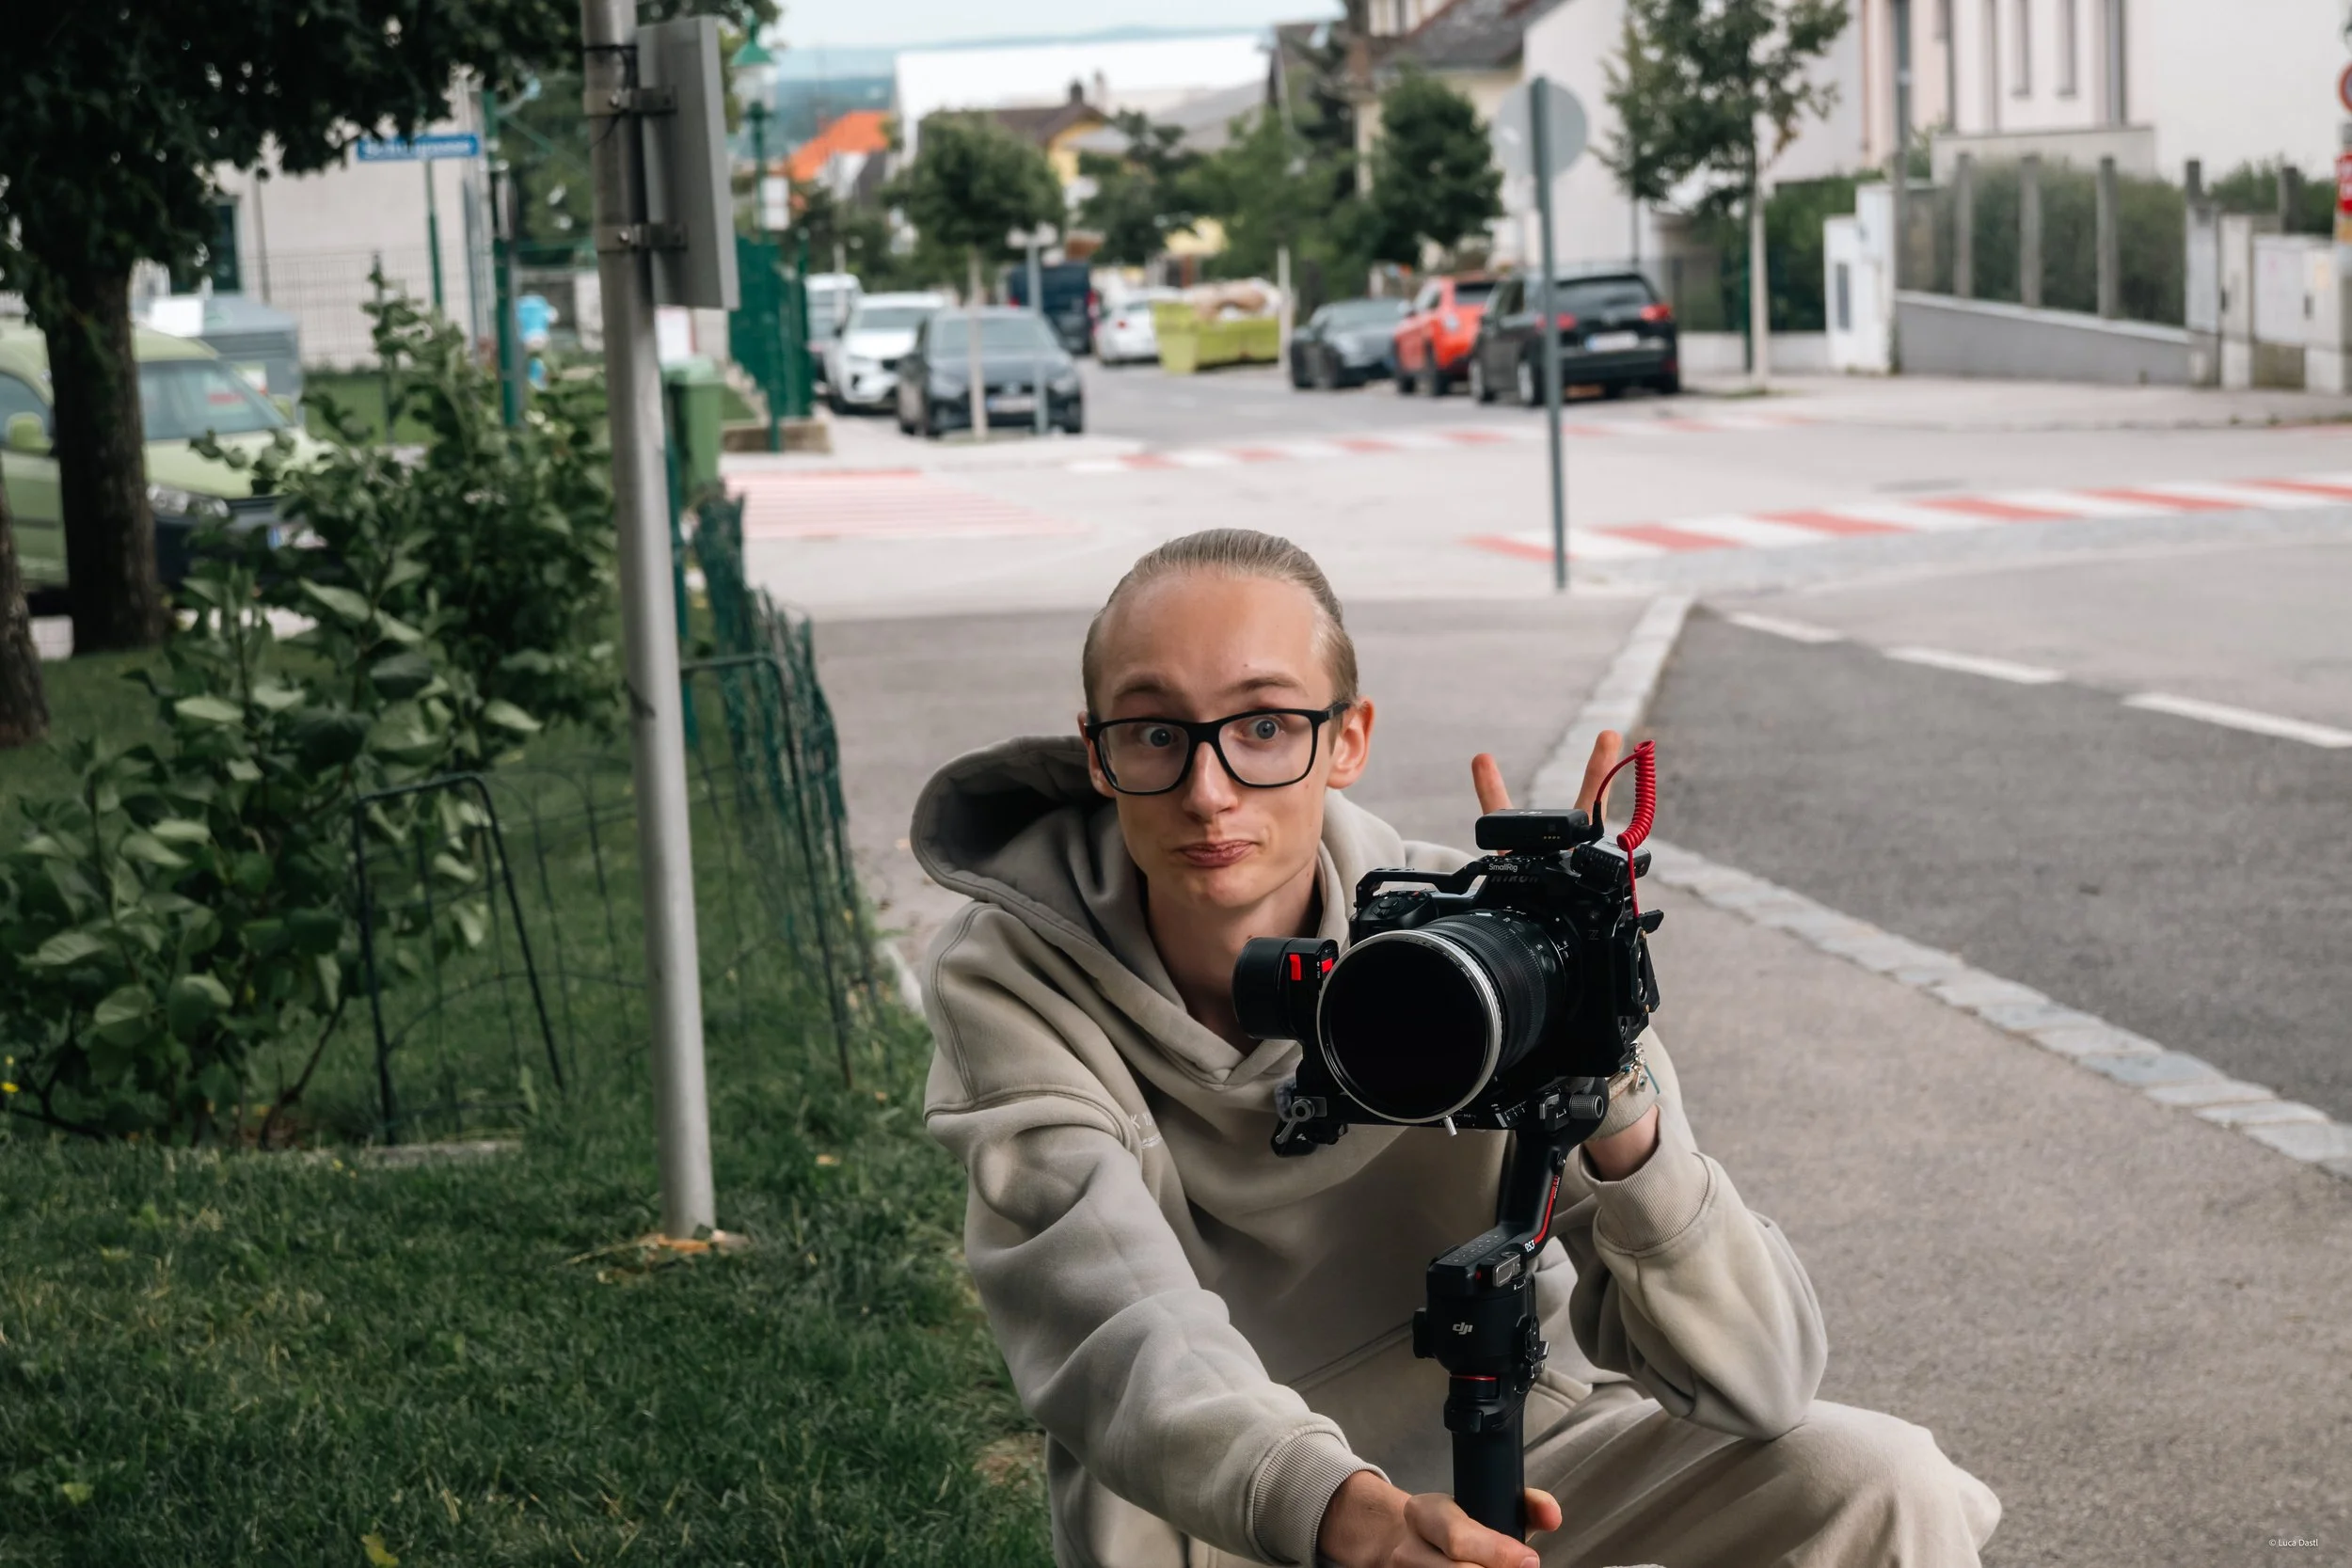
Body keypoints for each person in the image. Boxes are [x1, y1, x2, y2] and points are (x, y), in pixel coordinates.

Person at [912, 530, 2001, 1568]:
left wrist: (1606, 1068)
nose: (1209, 789)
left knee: (1882, 1481)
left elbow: (1761, 1379)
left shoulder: (1484, 935)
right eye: (1155, 731)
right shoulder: (1017, 971)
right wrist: (1345, 1511)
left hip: (1530, 1450)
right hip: (1228, 1507)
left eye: (1265, 725)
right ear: (1097, 752)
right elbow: (1118, 1320)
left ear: (1346, 738)